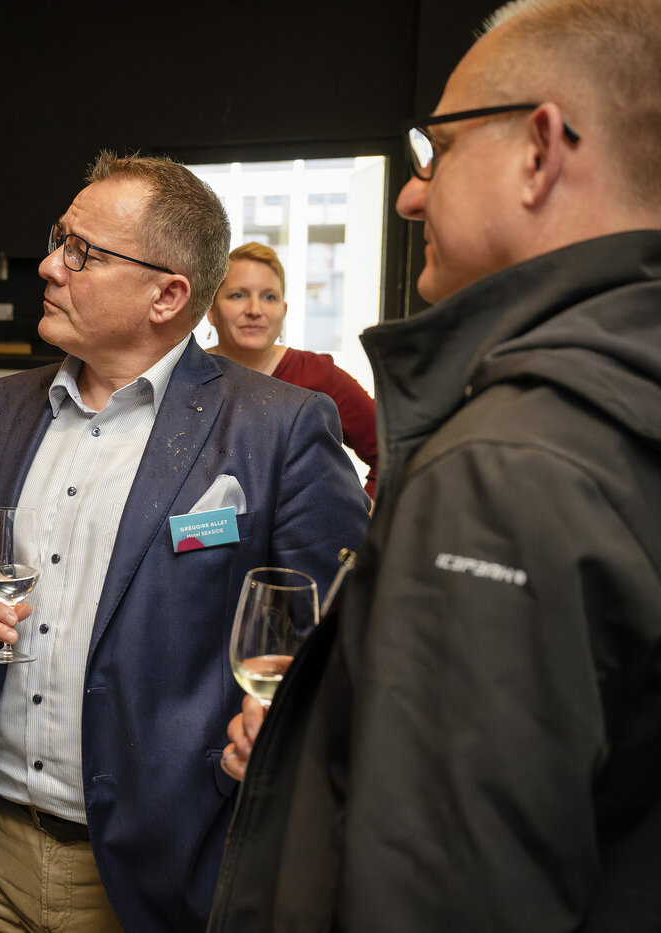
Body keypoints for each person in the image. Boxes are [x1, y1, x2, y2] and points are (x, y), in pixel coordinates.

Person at [212, 0, 661, 928]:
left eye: (439, 151)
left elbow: (443, 885)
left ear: (540, 151)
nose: (411, 195)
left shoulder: (504, 466)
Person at [0, 152, 369, 931]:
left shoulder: (277, 429)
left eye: (82, 252)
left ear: (167, 294)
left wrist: (279, 732)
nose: (50, 265)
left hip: (160, 862)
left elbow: (341, 639)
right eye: (59, 240)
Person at [206, 242, 379, 497]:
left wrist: (366, 514)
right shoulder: (187, 375)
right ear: (211, 310)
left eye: (269, 297)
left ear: (283, 311)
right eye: (238, 295)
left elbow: (394, 452)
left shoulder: (318, 376)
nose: (255, 310)